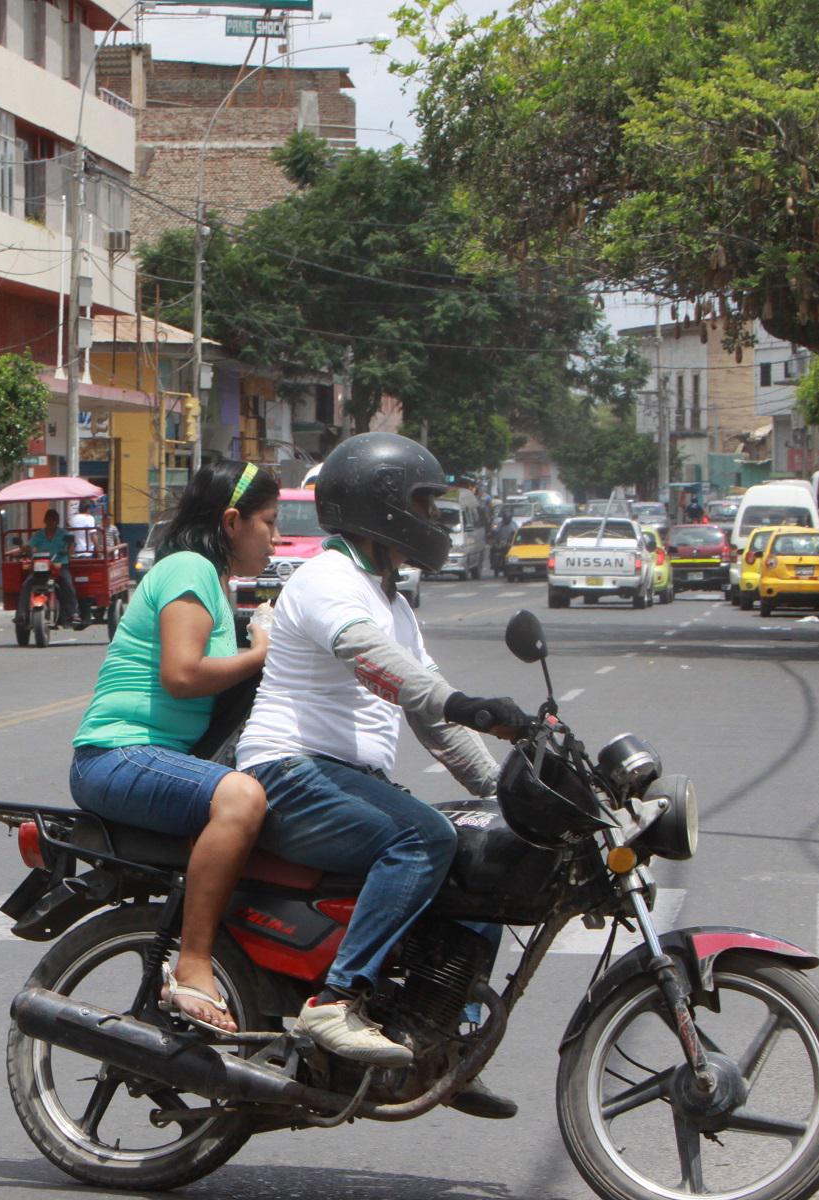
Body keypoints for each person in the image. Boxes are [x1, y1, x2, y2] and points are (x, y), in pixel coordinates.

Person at [235, 433, 529, 1116]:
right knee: (424, 839)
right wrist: (461, 702)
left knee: (483, 867)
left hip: (343, 779)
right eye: (425, 502)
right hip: (290, 770)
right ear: (384, 503)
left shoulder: (392, 602)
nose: (436, 518)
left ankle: (439, 1045)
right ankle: (334, 1000)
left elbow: (432, 717)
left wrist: (503, 794)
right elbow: (367, 656)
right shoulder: (325, 579)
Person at [70, 460, 280, 1032]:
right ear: (233, 521)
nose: (275, 537)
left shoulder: (211, 582)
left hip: (152, 758)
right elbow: (183, 674)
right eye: (268, 522)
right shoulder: (188, 568)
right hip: (117, 754)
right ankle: (191, 964)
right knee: (241, 800)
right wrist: (260, 650)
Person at [15, 508, 79, 626]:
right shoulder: (39, 534)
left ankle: (72, 613)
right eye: (48, 519)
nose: (51, 522)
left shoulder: (64, 534)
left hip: (59, 565)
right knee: (26, 584)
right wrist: (23, 548)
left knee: (67, 583)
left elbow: (71, 548)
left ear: (57, 521)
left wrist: (69, 548)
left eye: (53, 520)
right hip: (40, 567)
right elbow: (30, 547)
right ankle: (21, 614)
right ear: (45, 520)